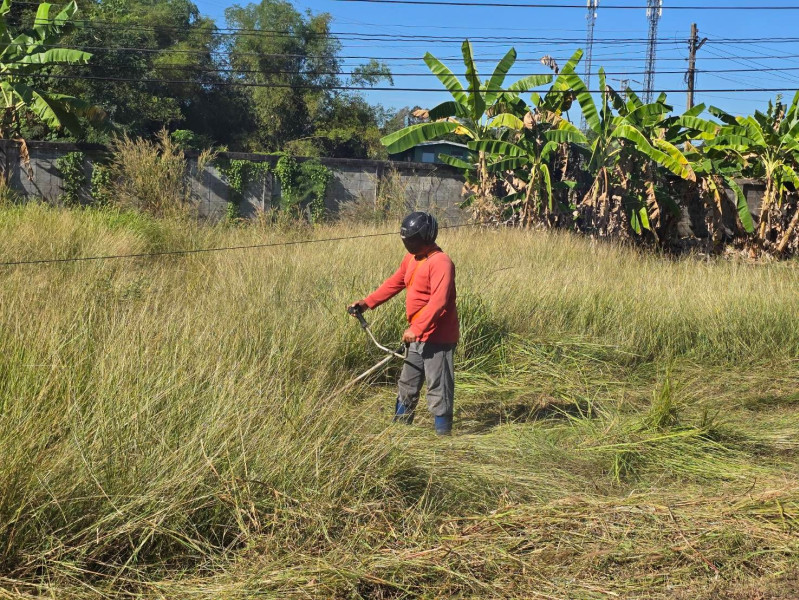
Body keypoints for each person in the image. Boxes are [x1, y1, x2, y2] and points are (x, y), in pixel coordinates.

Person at [349, 212, 459, 435]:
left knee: (438, 387)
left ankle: (444, 439)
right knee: (407, 384)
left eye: (412, 240)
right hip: (416, 336)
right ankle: (400, 433)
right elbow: (396, 282)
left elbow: (439, 301)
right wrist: (367, 303)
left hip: (437, 337)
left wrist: (417, 328)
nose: (408, 244)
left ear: (426, 237)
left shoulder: (441, 262)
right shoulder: (412, 258)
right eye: (406, 240)